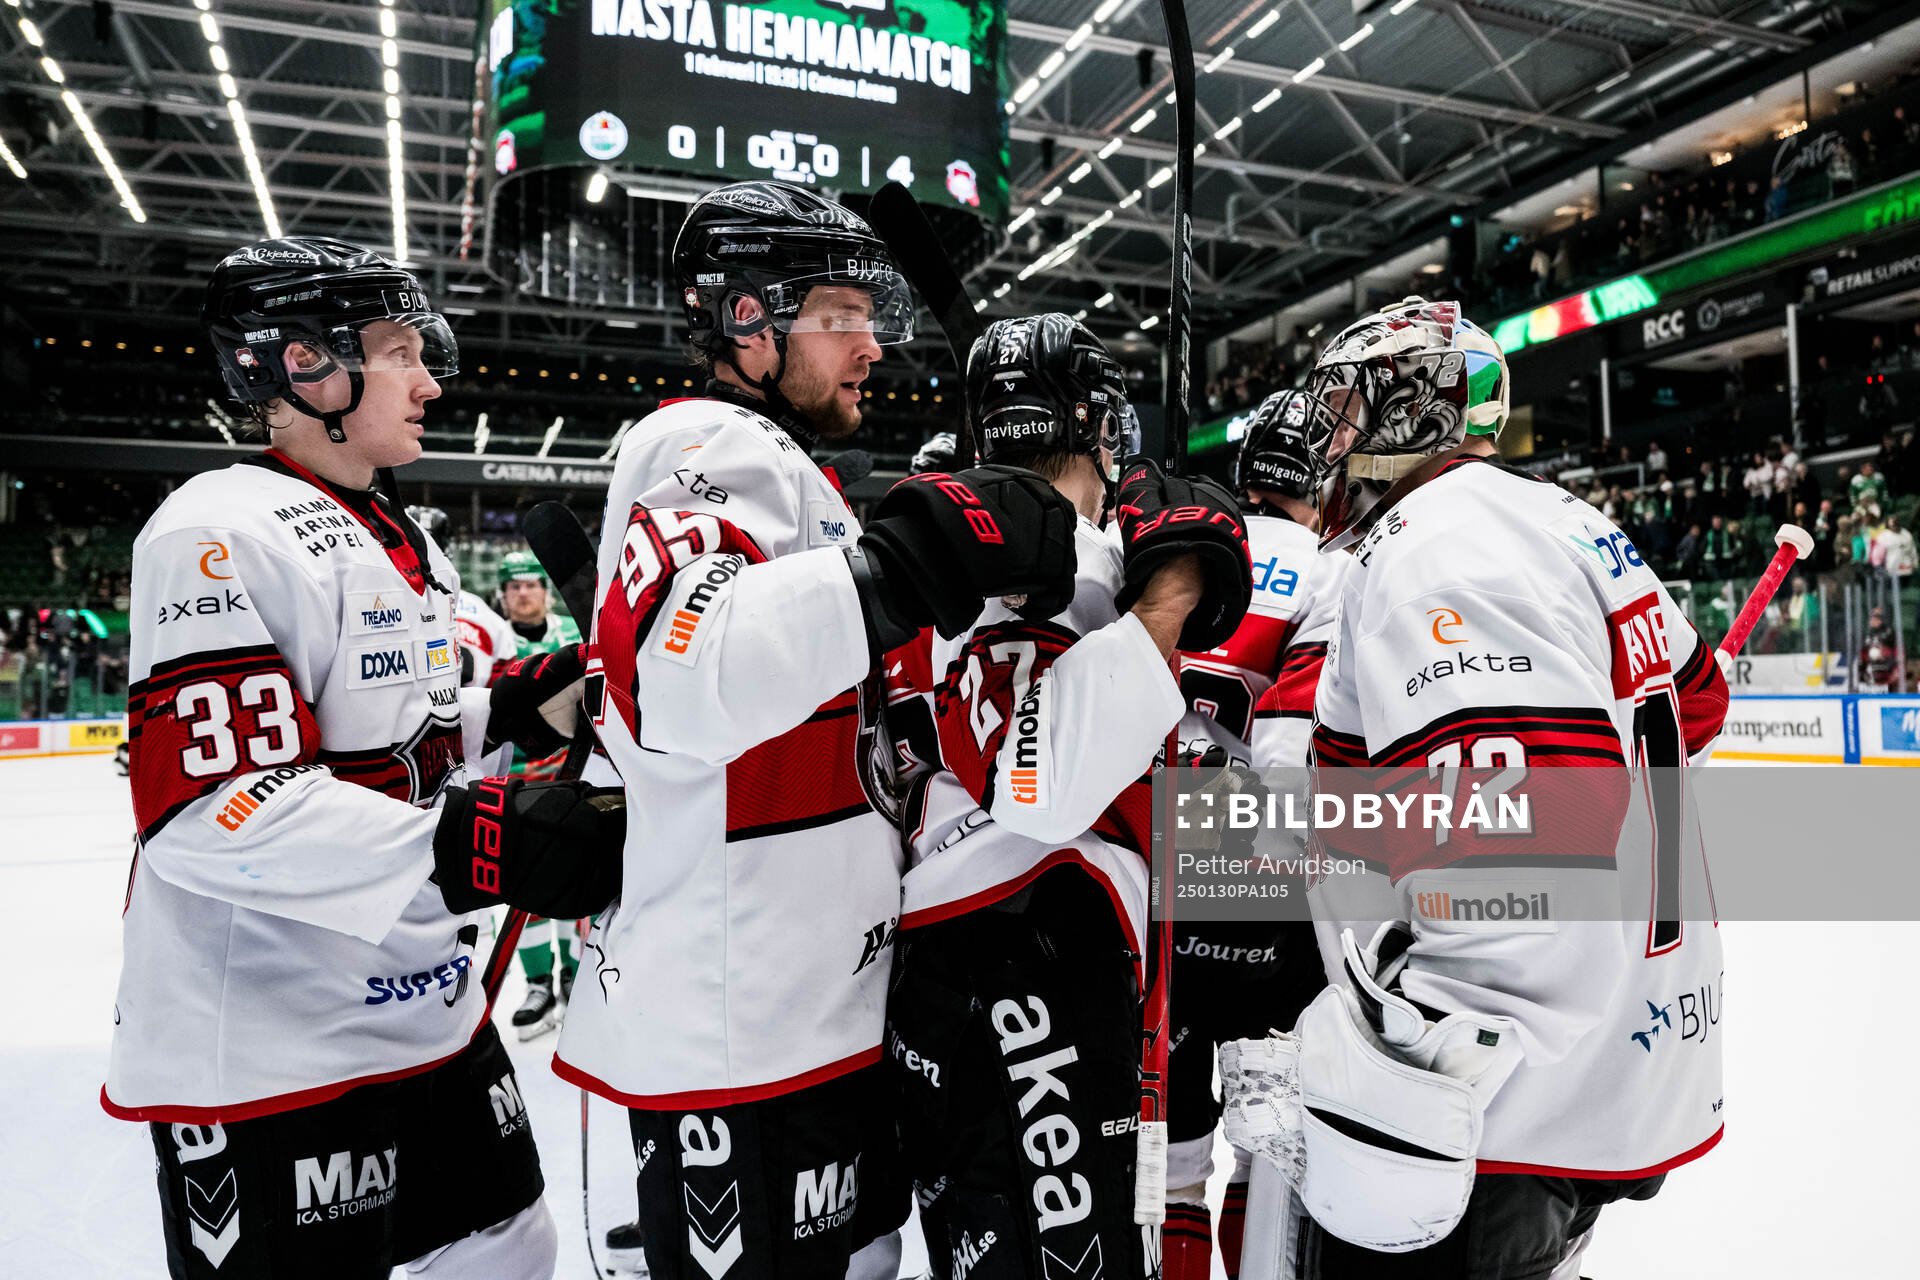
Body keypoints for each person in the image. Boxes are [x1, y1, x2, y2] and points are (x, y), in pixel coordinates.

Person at [429, 181, 1080, 1279]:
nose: (872, 345)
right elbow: (687, 674)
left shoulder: (801, 480)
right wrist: (903, 566)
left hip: (815, 1017)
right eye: (842, 315)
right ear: (748, 320)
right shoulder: (704, 437)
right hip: (739, 1047)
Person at [108, 237, 575, 1278]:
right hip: (274, 1033)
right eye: (401, 350)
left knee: (509, 1245)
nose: (430, 378)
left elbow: (390, 725)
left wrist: (512, 707)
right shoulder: (216, 529)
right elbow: (213, 809)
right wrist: (483, 843)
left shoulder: (395, 530)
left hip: (420, 997)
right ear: (305, 365)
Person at [1261, 296, 1731, 1279]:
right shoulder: (1565, 518)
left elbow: (1531, 857)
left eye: (1346, 410)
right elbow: (1698, 704)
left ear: (1410, 412)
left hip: (1489, 1118)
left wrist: (1409, 1079)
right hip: (1607, 1062)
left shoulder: (1439, 544)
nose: (1328, 438)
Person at [885, 313, 1251, 1279]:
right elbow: (1038, 785)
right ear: (1094, 415)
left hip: (974, 964)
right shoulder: (1046, 564)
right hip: (1026, 958)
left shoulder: (977, 540)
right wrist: (1167, 596)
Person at [1160, 388, 1348, 1280]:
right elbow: (1297, 751)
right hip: (1270, 898)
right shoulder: (1329, 570)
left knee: (1177, 1170)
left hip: (1163, 875)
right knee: (1270, 1142)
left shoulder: (1188, 551)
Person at [486, 549, 589, 1037]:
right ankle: (537, 983)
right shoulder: (494, 640)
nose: (523, 593)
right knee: (522, 887)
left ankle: (572, 974)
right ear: (503, 596)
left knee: (572, 881)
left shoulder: (574, 636)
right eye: (514, 587)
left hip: (569, 779)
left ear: (544, 592)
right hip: (511, 783)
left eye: (531, 584)